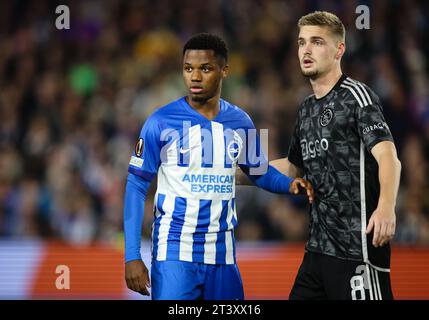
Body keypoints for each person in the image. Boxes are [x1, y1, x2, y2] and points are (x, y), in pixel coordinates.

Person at [123, 33, 314, 300]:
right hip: (174, 252)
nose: (195, 77)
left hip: (223, 255)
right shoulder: (160, 122)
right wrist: (132, 255)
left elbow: (258, 171)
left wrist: (288, 184)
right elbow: (135, 186)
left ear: (224, 71)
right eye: (188, 69)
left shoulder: (240, 121)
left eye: (205, 68)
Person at [266, 11, 401, 300]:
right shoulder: (305, 109)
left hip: (358, 249)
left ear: (339, 49)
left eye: (317, 42)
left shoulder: (356, 96)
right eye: (302, 42)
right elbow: (292, 167)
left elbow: (389, 156)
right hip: (317, 252)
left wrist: (387, 207)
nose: (306, 49)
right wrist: (232, 173)